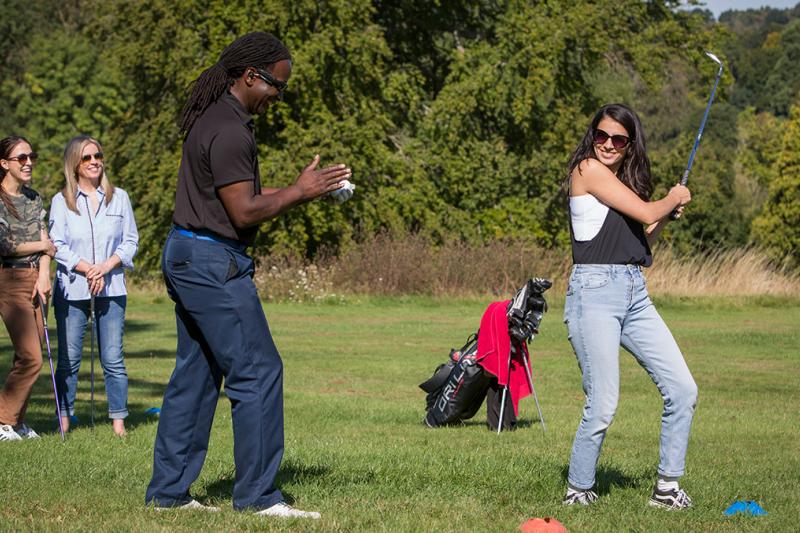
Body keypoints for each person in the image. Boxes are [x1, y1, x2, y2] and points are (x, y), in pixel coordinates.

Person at [145, 32, 351, 518]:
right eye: (276, 87)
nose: (278, 97)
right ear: (250, 76)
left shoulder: (213, 117)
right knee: (258, 371)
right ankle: (259, 497)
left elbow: (232, 198)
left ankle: (168, 495)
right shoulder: (232, 130)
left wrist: (308, 189)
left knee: (196, 377)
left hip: (188, 254)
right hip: (212, 262)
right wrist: (300, 192)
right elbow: (244, 212)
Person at [561, 103, 697, 509]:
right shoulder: (588, 170)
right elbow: (644, 211)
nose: (606, 144)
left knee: (682, 389)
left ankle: (667, 489)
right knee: (602, 403)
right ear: (592, 136)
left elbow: (641, 240)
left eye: (617, 139)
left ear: (629, 145)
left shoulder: (620, 183)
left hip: (634, 293)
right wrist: (672, 196)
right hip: (594, 294)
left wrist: (667, 215)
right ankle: (578, 490)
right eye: (600, 135)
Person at [49, 135, 139, 437]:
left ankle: (118, 423)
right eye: (87, 158)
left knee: (113, 357)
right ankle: (64, 419)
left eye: (97, 156)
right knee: (69, 359)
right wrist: (87, 268)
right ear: (75, 164)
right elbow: (56, 245)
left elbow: (131, 241)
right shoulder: (61, 202)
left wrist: (106, 266)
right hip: (72, 288)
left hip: (112, 287)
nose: (94, 162)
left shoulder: (120, 198)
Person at [0, 135, 54, 441]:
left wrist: (44, 274)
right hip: (9, 280)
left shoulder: (34, 198)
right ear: (4, 164)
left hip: (37, 279)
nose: (29, 162)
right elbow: (6, 246)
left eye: (31, 156)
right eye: (21, 158)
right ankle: (2, 419)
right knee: (31, 356)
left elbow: (47, 245)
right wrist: (43, 245)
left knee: (32, 356)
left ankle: (16, 422)